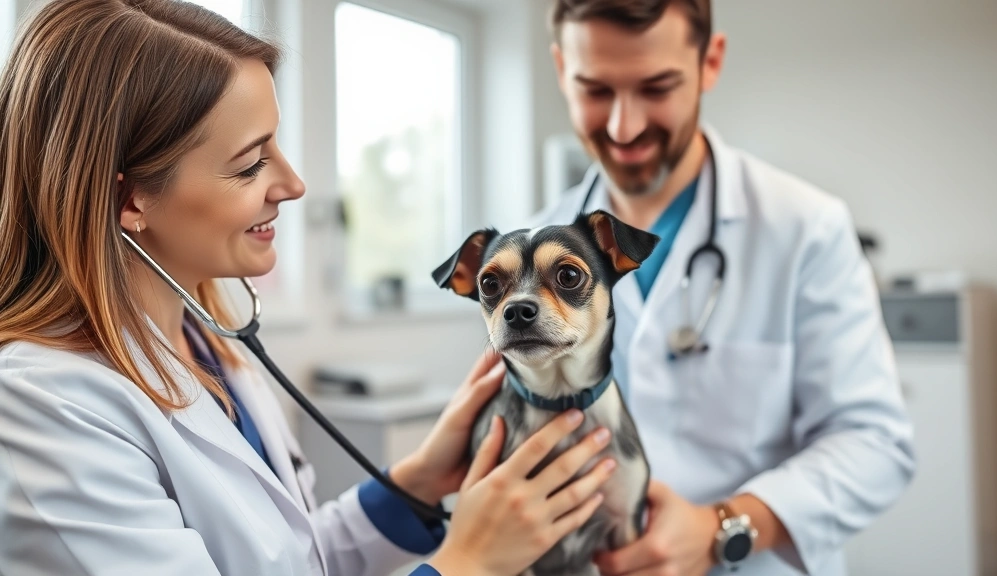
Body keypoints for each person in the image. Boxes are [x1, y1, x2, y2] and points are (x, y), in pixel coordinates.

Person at [0, 1, 618, 575]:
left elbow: (290, 558)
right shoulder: (43, 409)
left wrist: (417, 481)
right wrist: (467, 562)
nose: (294, 184)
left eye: (278, 145)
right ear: (128, 198)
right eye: (250, 163)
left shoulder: (210, 345)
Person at [533, 1, 917, 574]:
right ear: (563, 69)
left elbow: (874, 443)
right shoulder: (532, 246)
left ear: (710, 62)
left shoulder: (804, 227)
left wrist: (723, 527)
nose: (624, 127)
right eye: (595, 91)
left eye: (657, 87)